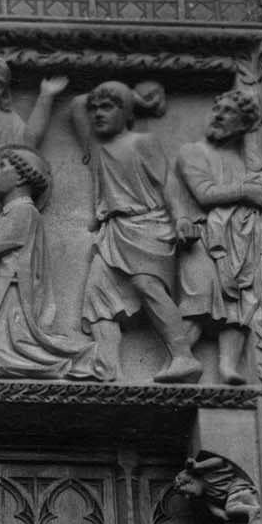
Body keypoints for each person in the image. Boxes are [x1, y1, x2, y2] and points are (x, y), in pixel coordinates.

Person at [68, 81, 201, 382]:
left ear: (126, 113)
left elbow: (167, 182)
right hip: (113, 231)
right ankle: (106, 365)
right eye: (96, 108)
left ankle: (183, 357)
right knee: (96, 295)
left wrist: (181, 218)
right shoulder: (97, 147)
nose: (97, 113)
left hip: (148, 224)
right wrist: (122, 96)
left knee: (147, 286)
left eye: (108, 107)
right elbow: (77, 103)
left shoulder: (143, 142)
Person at [0, 145, 96, 380]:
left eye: (2, 166)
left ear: (20, 176)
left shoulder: (23, 211)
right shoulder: (13, 213)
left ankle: (76, 359)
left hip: (10, 297)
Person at [174, 88, 262, 386]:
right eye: (216, 109)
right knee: (199, 294)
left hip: (239, 237)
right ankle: (179, 354)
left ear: (243, 125)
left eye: (228, 112)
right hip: (203, 234)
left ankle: (228, 364)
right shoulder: (193, 151)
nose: (217, 115)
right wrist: (244, 191)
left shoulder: (244, 160)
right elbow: (204, 194)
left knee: (240, 302)